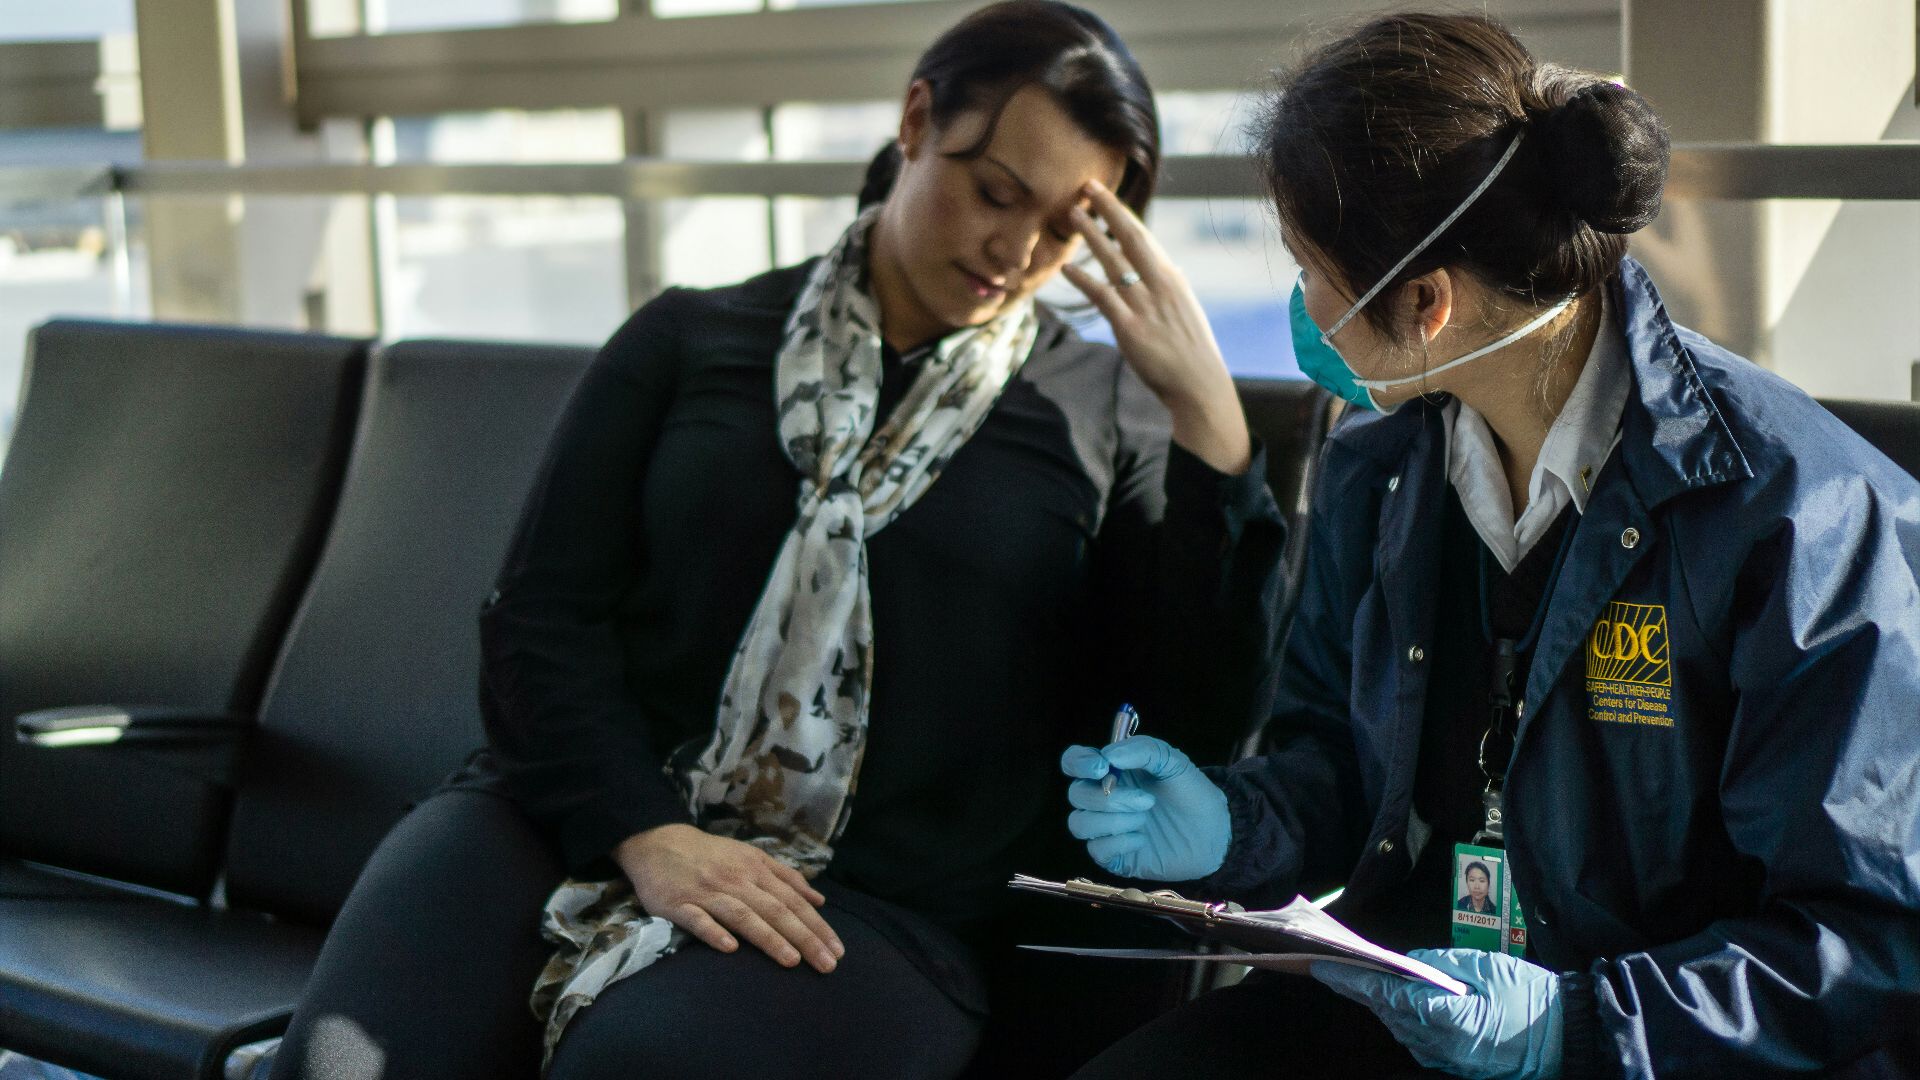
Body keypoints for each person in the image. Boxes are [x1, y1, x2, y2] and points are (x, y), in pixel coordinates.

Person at [271, 3, 1288, 1078]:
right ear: (914, 121)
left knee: (639, 1068)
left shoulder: (1104, 416)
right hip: (570, 814)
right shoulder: (690, 337)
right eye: (995, 192)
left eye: (1066, 230)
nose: (1017, 249)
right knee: (339, 1065)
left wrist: (1212, 429)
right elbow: (537, 618)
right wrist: (647, 834)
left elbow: (1190, 725)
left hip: (870, 901)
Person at [1058, 12, 1920, 1080]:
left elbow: (1868, 940)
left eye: (1308, 266)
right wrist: (1226, 824)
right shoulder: (1380, 469)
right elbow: (1334, 762)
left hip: (1656, 1046)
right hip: (1420, 1004)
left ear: (1424, 302)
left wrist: (1577, 1028)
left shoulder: (1796, 516)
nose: (1303, 305)